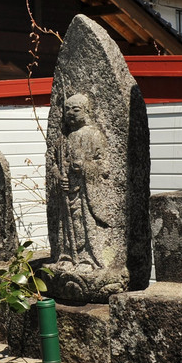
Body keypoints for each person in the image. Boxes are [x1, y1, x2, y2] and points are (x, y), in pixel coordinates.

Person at [58, 93, 110, 270]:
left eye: (76, 109)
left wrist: (85, 166)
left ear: (87, 111)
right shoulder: (66, 137)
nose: (70, 113)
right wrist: (59, 177)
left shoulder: (94, 134)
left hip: (86, 191)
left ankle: (89, 259)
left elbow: (104, 166)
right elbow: (57, 164)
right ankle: (70, 256)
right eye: (67, 109)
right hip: (69, 189)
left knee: (84, 222)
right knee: (69, 224)